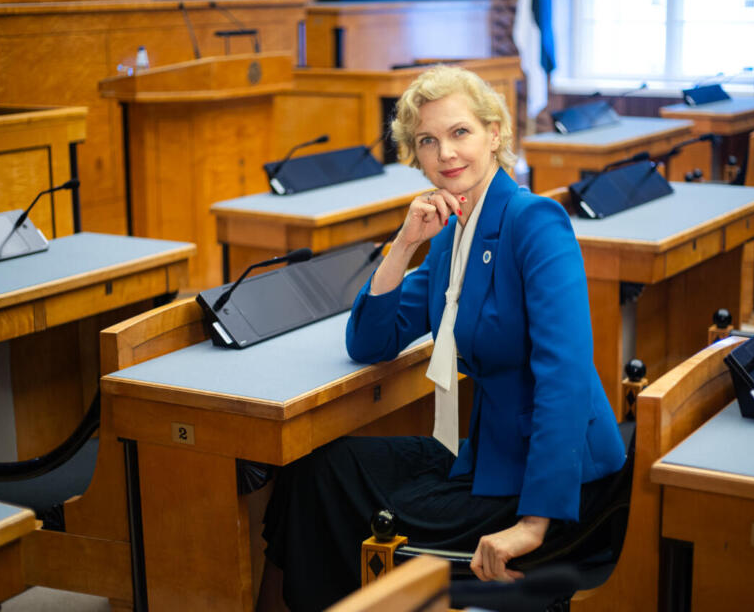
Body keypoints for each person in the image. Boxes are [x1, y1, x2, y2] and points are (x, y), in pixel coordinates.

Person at [257, 65, 625, 612]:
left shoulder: (534, 221)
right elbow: (370, 341)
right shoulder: (451, 233)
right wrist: (405, 243)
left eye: (460, 133)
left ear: (494, 134)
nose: (445, 153)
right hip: (487, 456)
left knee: (336, 505)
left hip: (554, 484)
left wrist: (532, 523)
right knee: (314, 470)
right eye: (427, 140)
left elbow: (565, 377)